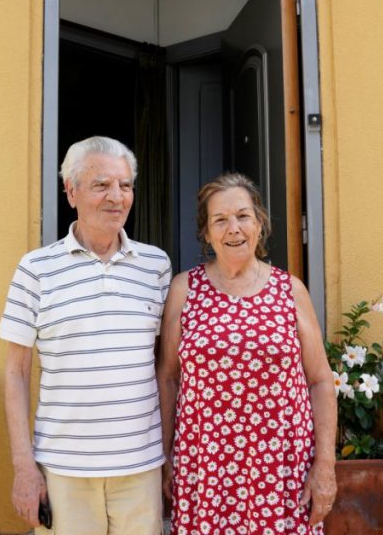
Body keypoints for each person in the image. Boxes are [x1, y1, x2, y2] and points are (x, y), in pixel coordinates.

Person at [0, 136, 171, 535]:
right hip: (63, 471)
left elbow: (166, 369)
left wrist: (167, 457)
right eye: (101, 185)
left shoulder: (156, 266)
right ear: (70, 191)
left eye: (125, 185)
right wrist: (25, 468)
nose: (117, 197)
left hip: (140, 470)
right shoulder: (35, 269)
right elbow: (15, 373)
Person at [156, 172, 338, 535]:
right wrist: (165, 458)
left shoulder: (291, 290)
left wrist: (325, 466)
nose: (233, 229)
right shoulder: (184, 289)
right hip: (205, 468)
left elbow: (319, 380)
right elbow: (168, 378)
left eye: (242, 216)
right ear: (206, 233)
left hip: (282, 469)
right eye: (220, 220)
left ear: (259, 223)